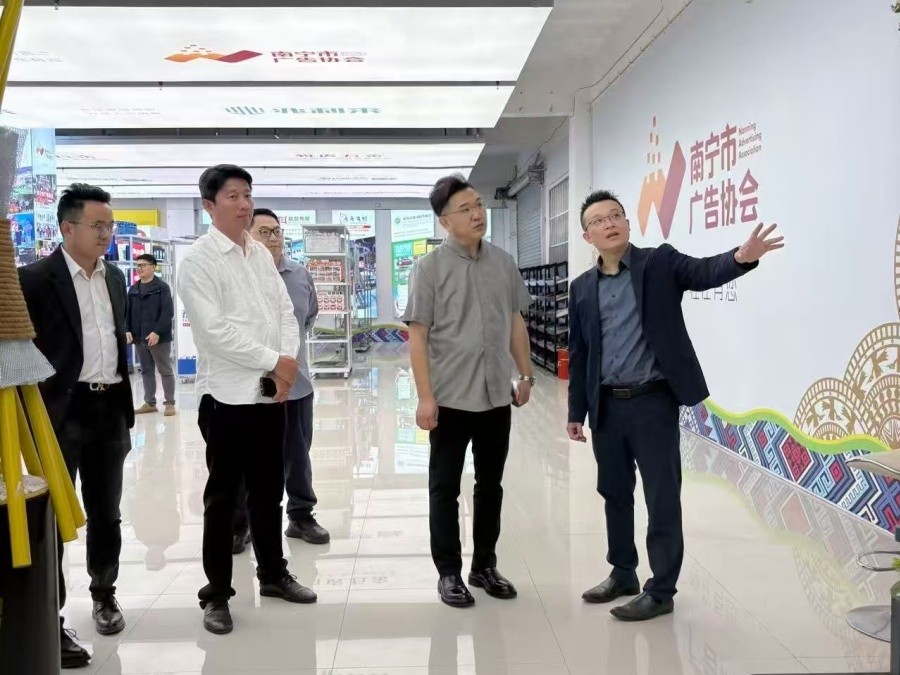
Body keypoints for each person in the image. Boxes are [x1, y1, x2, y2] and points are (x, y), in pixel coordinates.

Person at [567, 189, 784, 621]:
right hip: (607, 407)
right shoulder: (581, 289)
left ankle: (662, 590)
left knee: (661, 496)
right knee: (614, 493)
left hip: (652, 402)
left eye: (616, 215)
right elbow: (579, 353)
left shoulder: (658, 263)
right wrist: (577, 412)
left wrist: (741, 258)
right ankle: (622, 572)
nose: (609, 224)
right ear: (587, 236)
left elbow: (704, 272)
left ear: (627, 223)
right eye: (599, 220)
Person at [176, 165, 317, 636]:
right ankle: (216, 594)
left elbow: (285, 313)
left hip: (269, 396)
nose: (243, 204)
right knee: (223, 499)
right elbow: (215, 332)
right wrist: (275, 361)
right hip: (227, 398)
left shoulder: (257, 253)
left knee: (268, 490)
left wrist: (285, 362)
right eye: (232, 196)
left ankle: (273, 574)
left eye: (247, 195)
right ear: (209, 206)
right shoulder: (198, 261)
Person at [403, 174, 535, 608]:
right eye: (466, 209)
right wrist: (425, 397)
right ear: (445, 221)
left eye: (478, 204)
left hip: (496, 394)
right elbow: (418, 336)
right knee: (444, 488)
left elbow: (514, 321)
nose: (477, 213)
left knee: (490, 485)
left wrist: (525, 374)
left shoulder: (503, 262)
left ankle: (484, 566)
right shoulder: (428, 269)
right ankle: (448, 572)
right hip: (450, 397)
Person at [18, 183, 135, 669]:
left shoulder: (115, 277)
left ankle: (104, 594)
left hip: (110, 409)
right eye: (97, 225)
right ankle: (54, 614)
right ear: (67, 228)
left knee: (107, 512)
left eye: (110, 225)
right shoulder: (34, 279)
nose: (106, 234)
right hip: (59, 414)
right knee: (53, 520)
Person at [231, 208, 329, 554]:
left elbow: (309, 316)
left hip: (296, 384)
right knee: (247, 458)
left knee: (298, 455)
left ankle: (301, 516)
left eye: (277, 231)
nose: (273, 238)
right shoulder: (238, 276)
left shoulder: (299, 275)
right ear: (247, 236)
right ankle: (241, 524)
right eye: (265, 232)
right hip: (250, 388)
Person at [126, 253, 176, 417]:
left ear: (153, 267)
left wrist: (157, 332)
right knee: (146, 371)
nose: (139, 268)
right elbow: (127, 313)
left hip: (158, 338)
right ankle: (149, 403)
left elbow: (167, 312)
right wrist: (127, 329)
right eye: (138, 265)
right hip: (139, 337)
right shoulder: (133, 289)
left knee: (165, 370)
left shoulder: (162, 288)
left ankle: (169, 403)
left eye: (143, 265)